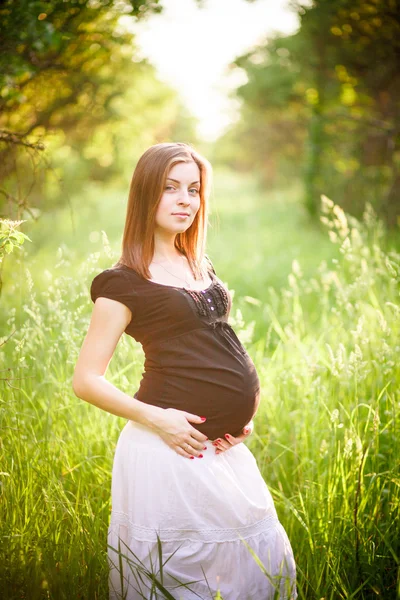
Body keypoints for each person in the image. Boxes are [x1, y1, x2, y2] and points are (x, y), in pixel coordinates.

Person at [72, 142, 297, 600]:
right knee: (184, 579)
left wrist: (240, 415)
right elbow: (86, 380)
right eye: (170, 188)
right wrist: (160, 420)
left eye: (193, 190)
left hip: (222, 446)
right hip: (170, 449)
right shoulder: (123, 282)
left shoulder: (197, 262)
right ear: (145, 195)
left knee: (250, 573)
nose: (185, 200)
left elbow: (212, 345)